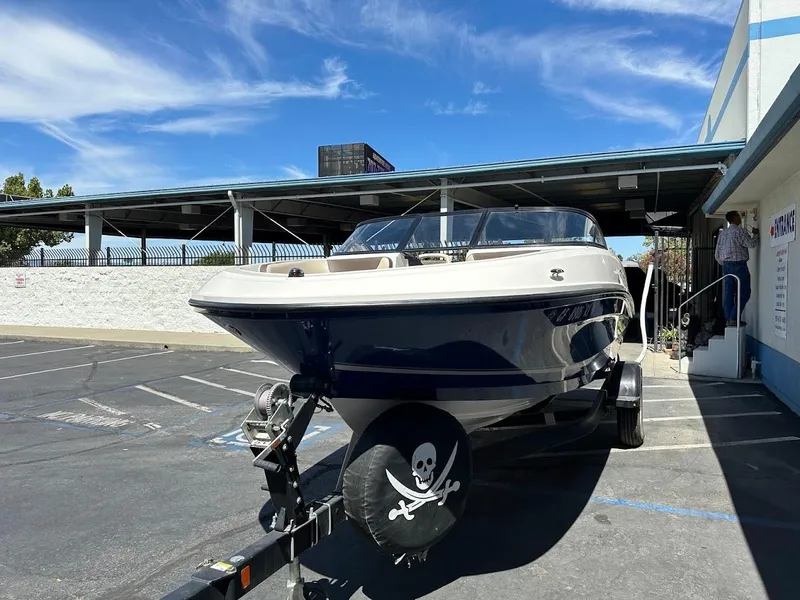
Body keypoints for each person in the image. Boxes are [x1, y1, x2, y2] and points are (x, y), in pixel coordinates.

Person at [714, 210, 759, 326]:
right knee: (744, 293)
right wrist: (756, 234)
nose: (739, 218)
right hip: (739, 265)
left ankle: (729, 319)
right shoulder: (740, 231)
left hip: (726, 266)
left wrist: (725, 263)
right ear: (734, 217)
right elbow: (751, 244)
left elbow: (717, 255)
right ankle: (733, 318)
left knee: (729, 293)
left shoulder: (723, 234)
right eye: (738, 216)